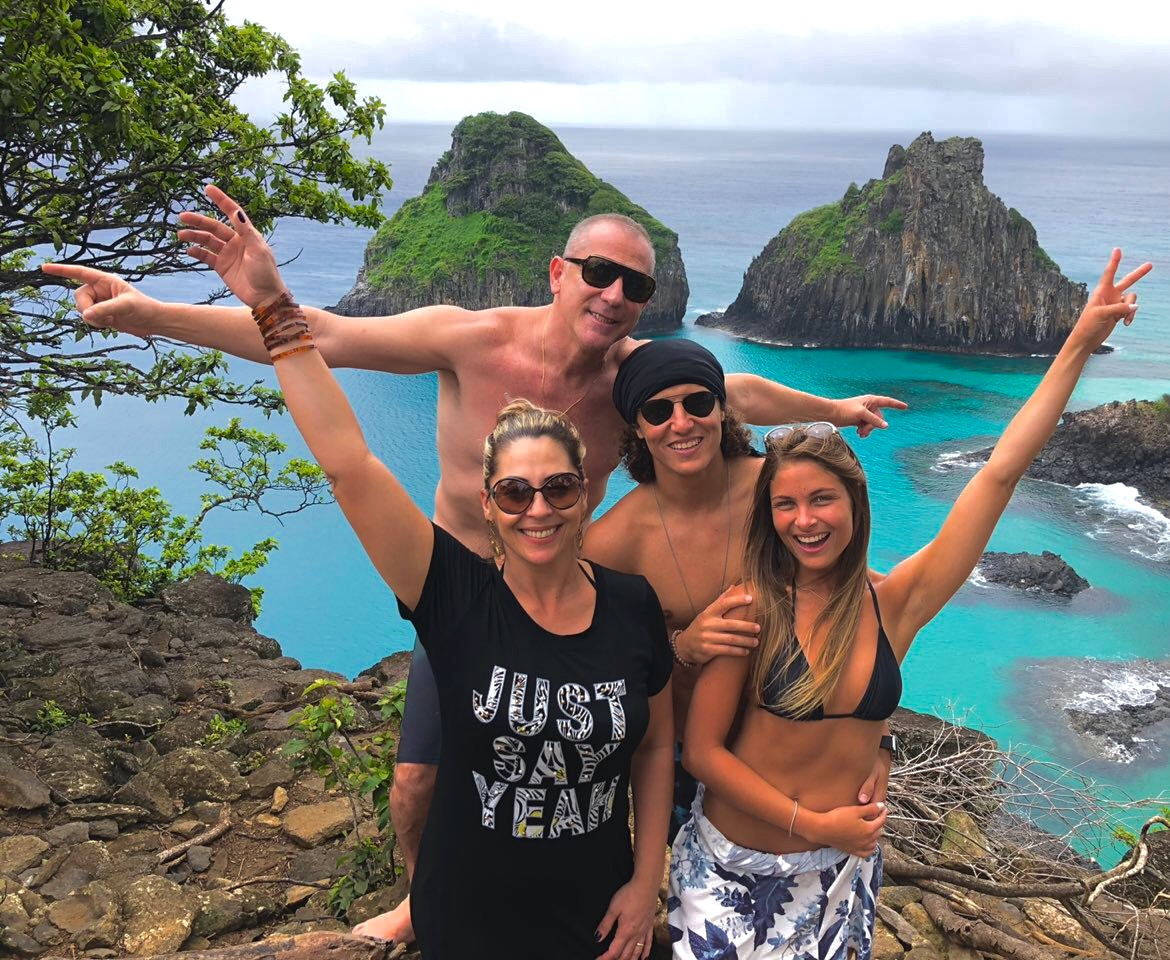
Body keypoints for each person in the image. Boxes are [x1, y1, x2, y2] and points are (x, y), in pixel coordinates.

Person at [41, 185, 902, 944]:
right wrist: (149, 313)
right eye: (598, 272)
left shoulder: (633, 375)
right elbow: (323, 338)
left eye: (636, 285)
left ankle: (653, 883)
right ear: (558, 271)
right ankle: (427, 903)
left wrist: (833, 406)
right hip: (458, 600)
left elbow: (734, 394)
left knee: (614, 754)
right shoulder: (469, 338)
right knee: (417, 784)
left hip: (562, 604)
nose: (613, 294)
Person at [156, 191, 674, 959]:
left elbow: (654, 749)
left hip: (592, 920)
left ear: (590, 488)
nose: (540, 508)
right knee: (418, 781)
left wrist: (645, 880)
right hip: (470, 920)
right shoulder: (456, 600)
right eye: (515, 492)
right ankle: (415, 896)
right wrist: (264, 307)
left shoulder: (630, 608)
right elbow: (347, 461)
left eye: (562, 488)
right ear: (487, 507)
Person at [670, 251, 1153, 959]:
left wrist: (1078, 342)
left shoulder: (895, 605)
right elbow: (705, 753)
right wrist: (816, 822)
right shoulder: (750, 607)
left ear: (854, 504)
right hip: (733, 874)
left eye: (822, 499)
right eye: (785, 504)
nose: (805, 520)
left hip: (841, 880)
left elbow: (998, 474)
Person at [584, 340, 897, 846]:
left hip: (795, 753)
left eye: (699, 403)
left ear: (722, 410)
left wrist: (879, 741)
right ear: (638, 428)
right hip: (696, 762)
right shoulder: (615, 542)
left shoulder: (774, 491)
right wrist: (678, 648)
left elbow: (868, 606)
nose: (682, 423)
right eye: (659, 411)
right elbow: (589, 663)